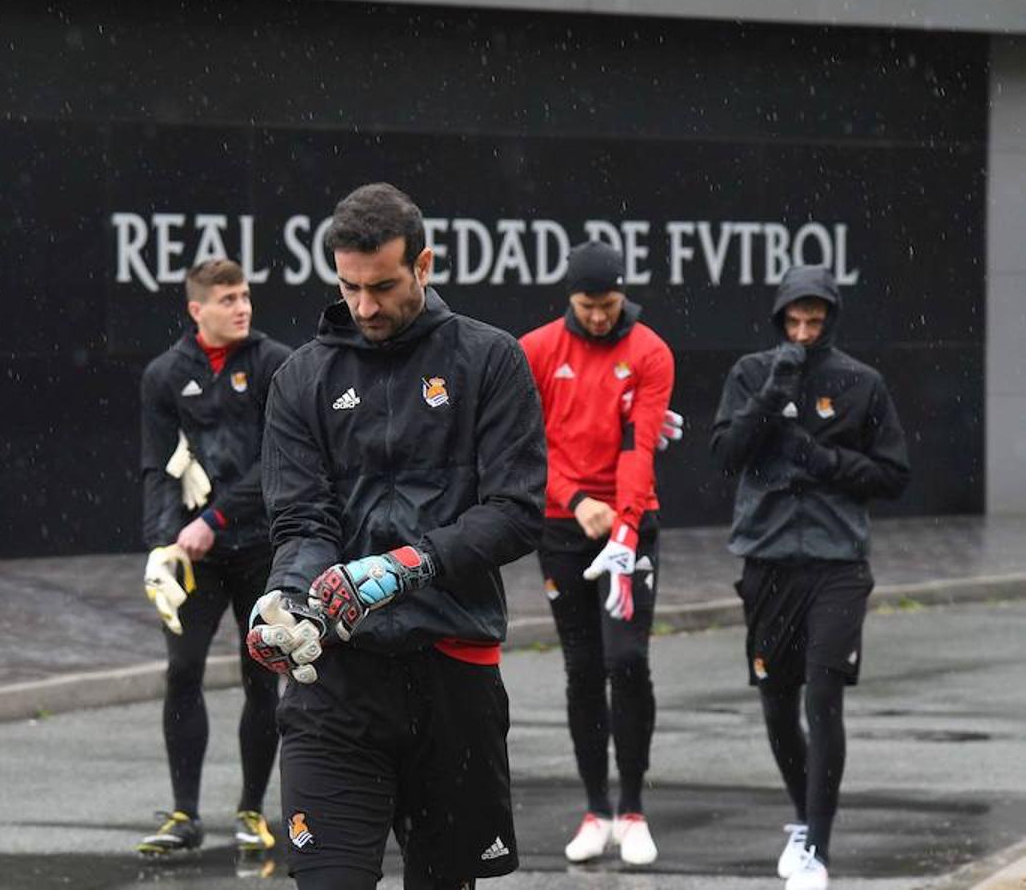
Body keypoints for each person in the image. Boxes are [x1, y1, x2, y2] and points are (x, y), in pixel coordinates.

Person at [245, 182, 547, 890]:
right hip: (335, 684)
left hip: (452, 672)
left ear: (426, 264)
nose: (365, 306)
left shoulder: (491, 360)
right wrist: (286, 603)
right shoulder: (301, 378)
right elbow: (302, 521)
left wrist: (410, 564)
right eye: (349, 287)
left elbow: (516, 509)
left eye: (382, 285)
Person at [710, 264, 910, 890]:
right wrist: (771, 397)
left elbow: (893, 475)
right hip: (767, 559)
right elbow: (726, 456)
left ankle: (817, 850)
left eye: (814, 320)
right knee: (777, 702)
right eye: (793, 320)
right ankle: (803, 819)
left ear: (829, 319)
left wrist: (827, 461)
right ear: (777, 318)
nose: (802, 331)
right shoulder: (749, 372)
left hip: (836, 563)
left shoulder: (861, 382)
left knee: (824, 694)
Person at [518, 240, 677, 867]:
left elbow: (641, 448)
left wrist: (625, 527)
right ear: (570, 300)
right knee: (583, 669)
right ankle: (596, 809)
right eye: (588, 306)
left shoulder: (649, 351)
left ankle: (633, 808)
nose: (600, 316)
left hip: (631, 524)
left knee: (628, 660)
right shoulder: (536, 351)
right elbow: (526, 445)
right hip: (562, 525)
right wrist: (576, 498)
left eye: (609, 304)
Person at [136, 258, 292, 856]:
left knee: (262, 679)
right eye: (227, 299)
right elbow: (157, 466)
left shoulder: (275, 363)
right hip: (194, 556)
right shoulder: (163, 376)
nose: (241, 307)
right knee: (182, 673)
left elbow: (277, 461)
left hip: (259, 547)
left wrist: (215, 518)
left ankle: (252, 812)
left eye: (245, 295)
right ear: (196, 310)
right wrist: (161, 545)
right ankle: (184, 815)